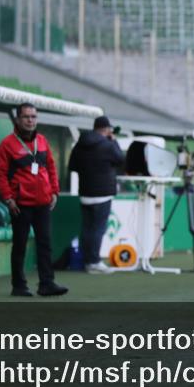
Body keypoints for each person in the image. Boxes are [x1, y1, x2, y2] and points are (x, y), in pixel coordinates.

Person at [0, 103, 67, 297]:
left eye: (33, 116)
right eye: (26, 116)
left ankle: (47, 284)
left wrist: (54, 192)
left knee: (45, 244)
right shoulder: (7, 144)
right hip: (20, 204)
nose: (30, 120)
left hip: (43, 202)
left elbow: (51, 167)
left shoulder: (42, 141)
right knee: (20, 245)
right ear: (18, 119)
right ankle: (18, 286)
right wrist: (8, 199)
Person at [68, 115, 124, 274]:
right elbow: (120, 159)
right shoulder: (107, 144)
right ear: (106, 129)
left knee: (87, 228)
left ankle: (87, 261)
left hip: (85, 192)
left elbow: (72, 166)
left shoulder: (80, 144)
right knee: (98, 229)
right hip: (103, 193)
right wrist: (113, 141)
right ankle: (94, 262)